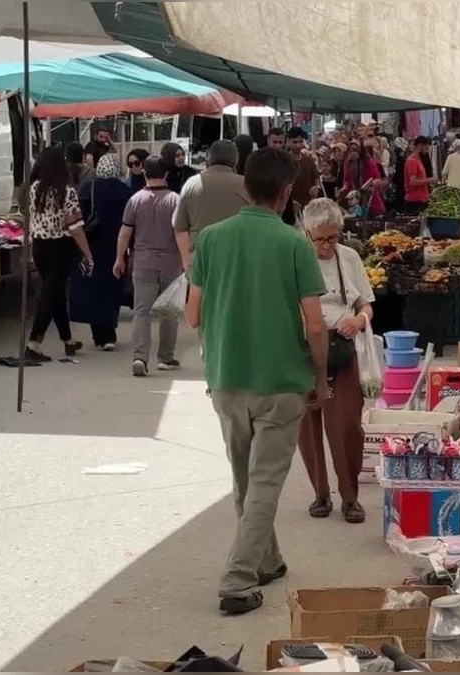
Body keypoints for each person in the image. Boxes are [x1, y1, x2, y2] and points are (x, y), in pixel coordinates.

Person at [185, 148, 329, 616]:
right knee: (264, 483)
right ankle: (238, 579)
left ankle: (267, 560)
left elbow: (192, 315)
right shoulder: (294, 243)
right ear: (287, 192)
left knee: (246, 480)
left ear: (246, 187)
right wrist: (320, 378)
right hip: (281, 381)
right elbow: (314, 325)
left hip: (226, 378)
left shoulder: (209, 239)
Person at [297, 198, 374, 524]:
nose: (327, 246)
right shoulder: (295, 258)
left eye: (333, 238)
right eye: (320, 239)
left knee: (346, 425)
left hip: (343, 349)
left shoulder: (350, 258)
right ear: (307, 233)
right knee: (308, 425)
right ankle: (320, 493)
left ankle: (350, 496)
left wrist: (357, 322)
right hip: (302, 349)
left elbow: (367, 305)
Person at [113, 155, 184, 377]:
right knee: (170, 311)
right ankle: (166, 357)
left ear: (144, 173)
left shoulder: (135, 200)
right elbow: (180, 233)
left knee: (142, 311)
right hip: (171, 262)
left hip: (143, 262)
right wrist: (186, 261)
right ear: (166, 174)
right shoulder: (175, 200)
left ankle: (140, 357)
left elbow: (125, 233)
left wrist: (119, 259)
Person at [26, 147, 95, 362]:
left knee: (54, 293)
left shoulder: (33, 189)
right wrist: (88, 253)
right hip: (60, 247)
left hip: (39, 246)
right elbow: (75, 227)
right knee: (49, 294)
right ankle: (33, 343)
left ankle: (67, 340)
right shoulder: (67, 191)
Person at [73, 154, 132, 351]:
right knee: (111, 290)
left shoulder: (88, 187)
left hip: (92, 245)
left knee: (94, 289)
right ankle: (109, 334)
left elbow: (78, 216)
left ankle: (100, 335)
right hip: (116, 248)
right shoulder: (125, 191)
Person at [173, 139, 249, 271]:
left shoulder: (192, 184)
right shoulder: (246, 186)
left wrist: (187, 262)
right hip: (237, 263)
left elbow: (179, 227)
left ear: (209, 158)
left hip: (200, 262)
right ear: (236, 160)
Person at [341, 140, 385, 216]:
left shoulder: (368, 161)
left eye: (355, 150)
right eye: (350, 150)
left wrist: (373, 184)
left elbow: (377, 178)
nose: (352, 153)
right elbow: (346, 180)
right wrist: (345, 187)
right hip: (353, 196)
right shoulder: (347, 163)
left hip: (368, 195)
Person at [286, 127, 320, 212]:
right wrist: (289, 202)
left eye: (300, 141)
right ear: (288, 142)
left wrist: (316, 188)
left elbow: (317, 179)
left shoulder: (308, 160)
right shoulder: (284, 162)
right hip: (288, 207)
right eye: (295, 142)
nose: (298, 145)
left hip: (307, 207)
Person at [401, 136, 435, 214]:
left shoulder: (418, 160)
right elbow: (412, 182)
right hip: (415, 201)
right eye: (425, 147)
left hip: (421, 199)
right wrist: (429, 180)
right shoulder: (412, 161)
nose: (426, 150)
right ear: (420, 146)